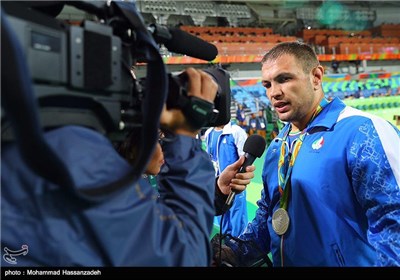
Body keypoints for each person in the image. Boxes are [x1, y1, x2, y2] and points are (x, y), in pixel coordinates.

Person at [1, 64, 256, 267]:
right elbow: (180, 253)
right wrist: (183, 136)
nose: (165, 146)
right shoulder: (96, 186)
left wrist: (218, 190)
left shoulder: (75, 175)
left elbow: (158, 217)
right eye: (158, 136)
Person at [215, 42, 400, 267]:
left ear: (316, 77)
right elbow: (267, 218)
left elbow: (393, 224)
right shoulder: (276, 146)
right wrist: (233, 253)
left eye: (284, 79)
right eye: (267, 84)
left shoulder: (363, 132)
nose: (274, 93)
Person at [204, 121, 248, 237]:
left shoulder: (236, 132)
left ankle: (239, 240)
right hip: (217, 183)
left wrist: (240, 177)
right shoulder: (209, 133)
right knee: (221, 211)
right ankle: (225, 236)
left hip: (234, 182)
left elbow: (245, 159)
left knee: (237, 211)